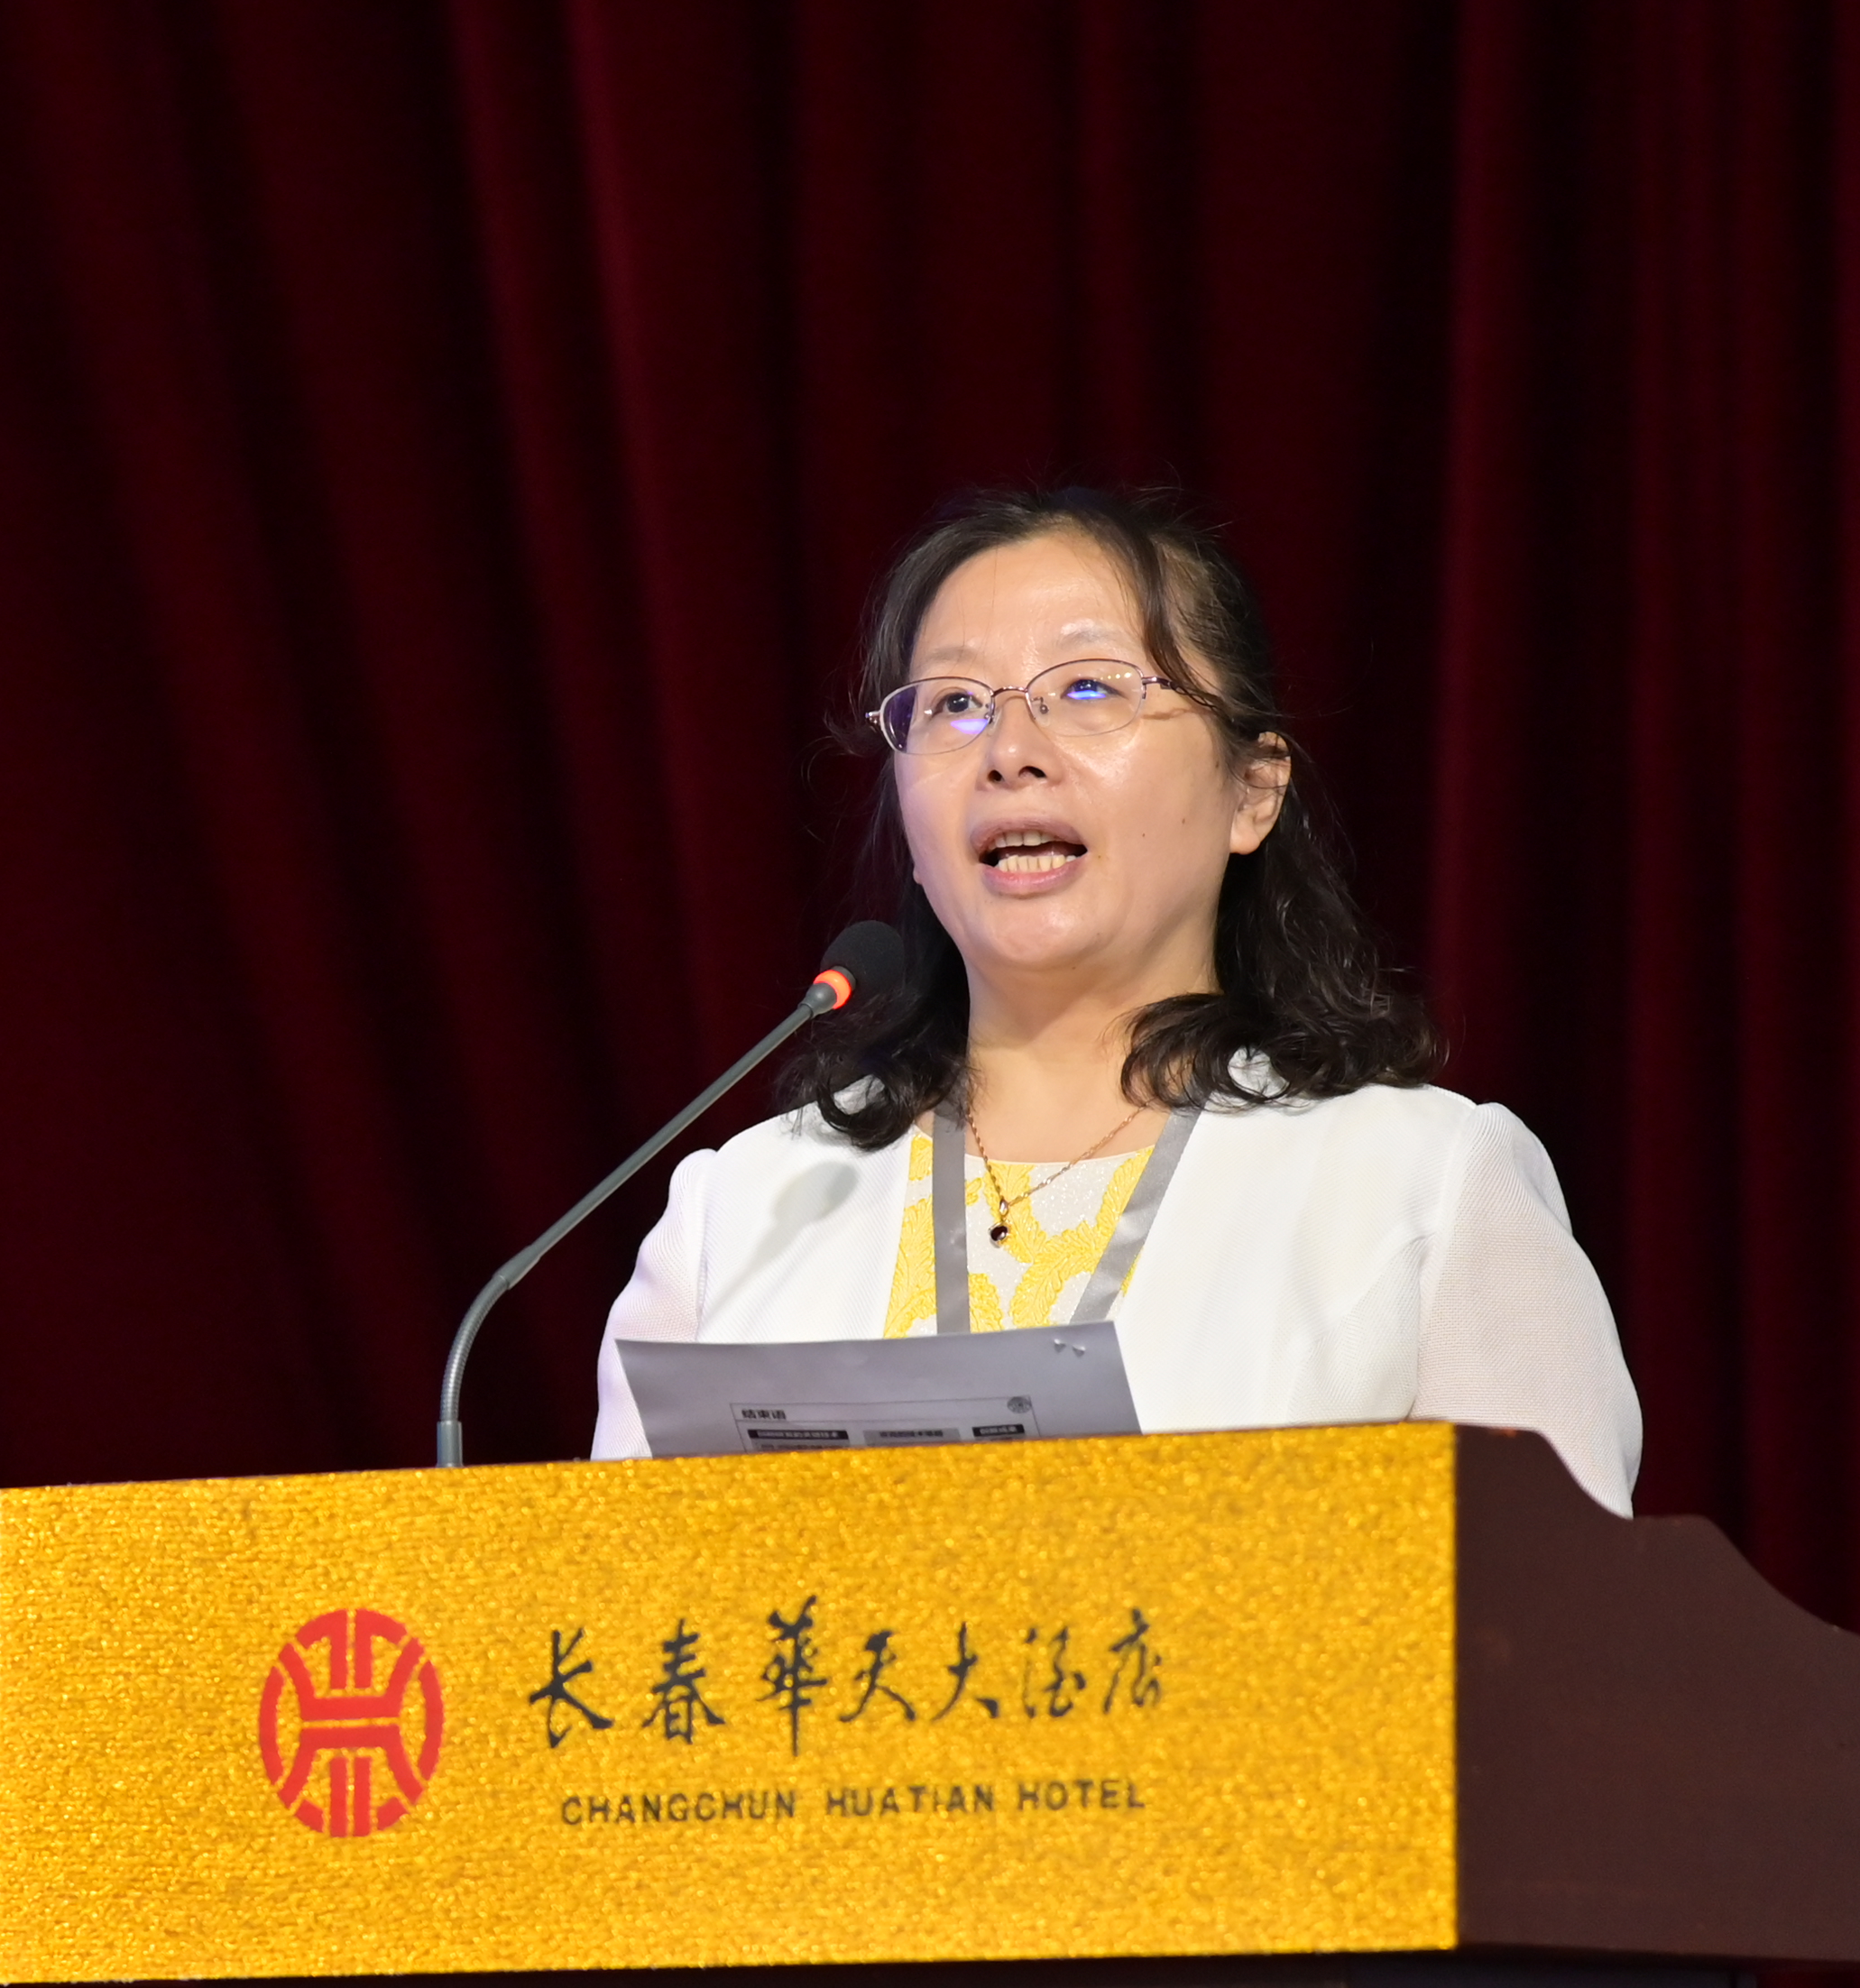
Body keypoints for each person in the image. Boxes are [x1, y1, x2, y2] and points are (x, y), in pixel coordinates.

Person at [589, 487, 1642, 1513]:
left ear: (1252, 790)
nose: (1009, 753)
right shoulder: (741, 1211)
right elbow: (623, 1606)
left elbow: (1559, 1616)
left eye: (1090, 688)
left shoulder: (1420, 1184)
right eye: (954, 703)